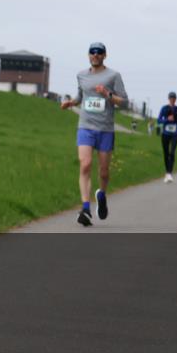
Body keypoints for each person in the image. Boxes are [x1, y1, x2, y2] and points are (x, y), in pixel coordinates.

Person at [59, 42, 128, 226]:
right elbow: (81, 97)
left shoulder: (113, 75)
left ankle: (102, 196)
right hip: (85, 126)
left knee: (104, 172)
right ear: (88, 55)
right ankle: (86, 208)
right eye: (92, 52)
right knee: (85, 164)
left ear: (105, 55)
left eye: (99, 53)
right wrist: (70, 103)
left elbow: (124, 102)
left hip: (105, 129)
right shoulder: (81, 75)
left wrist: (107, 94)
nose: (95, 55)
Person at [157, 92, 177, 183]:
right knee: (166, 153)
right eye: (171, 98)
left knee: (172, 152)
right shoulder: (164, 108)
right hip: (165, 133)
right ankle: (167, 172)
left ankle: (169, 173)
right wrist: (166, 119)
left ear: (176, 99)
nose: (172, 99)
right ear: (168, 99)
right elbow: (159, 120)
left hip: (175, 133)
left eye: (174, 98)